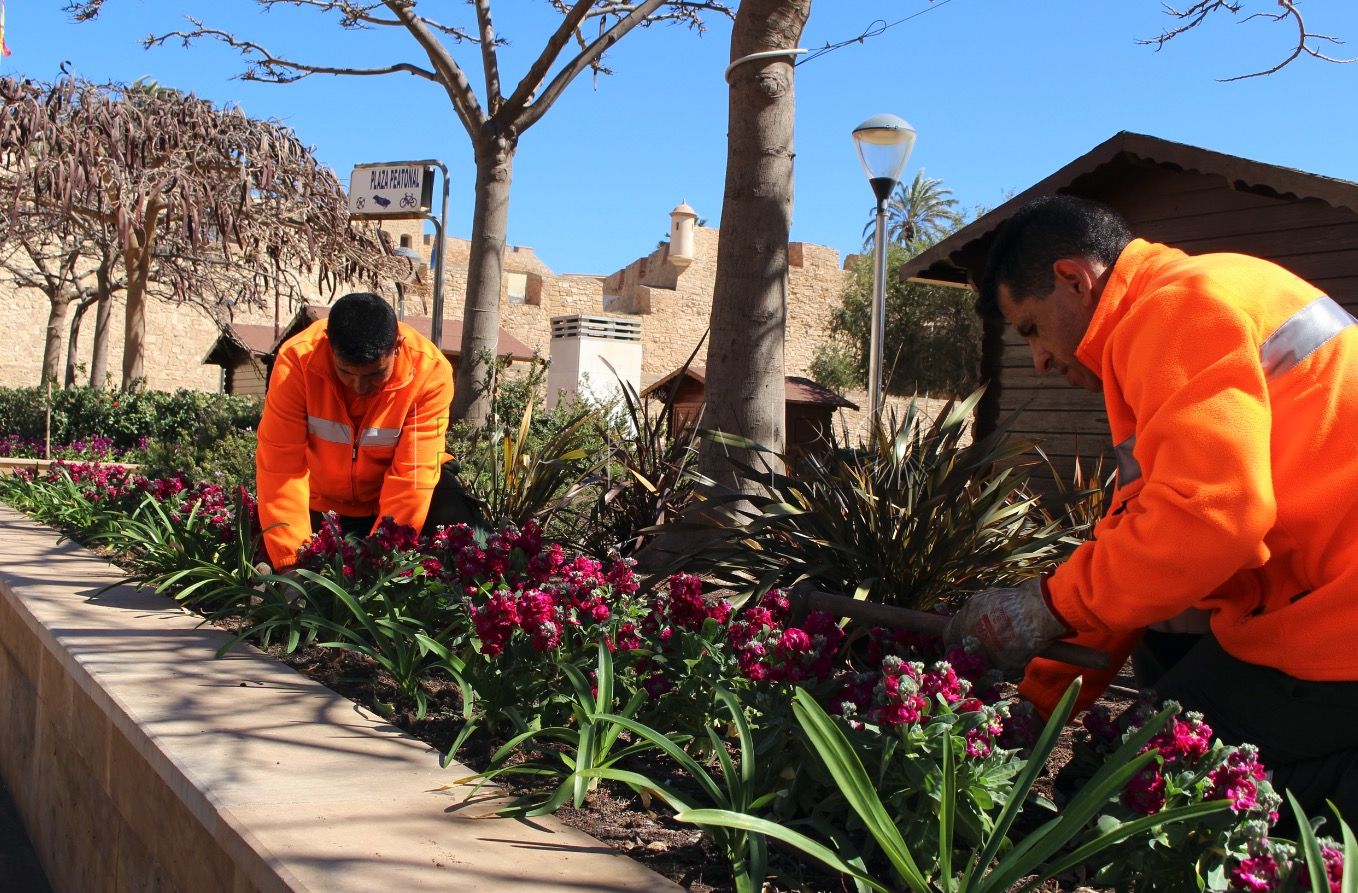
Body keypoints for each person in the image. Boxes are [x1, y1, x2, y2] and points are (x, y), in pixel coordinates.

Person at [946, 194, 1358, 823]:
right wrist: (1034, 701)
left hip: (1338, 622)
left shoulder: (1173, 308)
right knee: (1166, 637)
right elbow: (1148, 542)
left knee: (1120, 792)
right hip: (1325, 591)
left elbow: (1212, 520)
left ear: (1074, 280)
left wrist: (1044, 606)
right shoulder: (1200, 295)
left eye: (1030, 328)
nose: (1039, 360)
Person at [256, 291, 483, 571]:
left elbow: (413, 477)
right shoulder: (296, 363)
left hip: (392, 501)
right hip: (323, 502)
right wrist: (292, 563)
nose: (359, 387)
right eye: (346, 372)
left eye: (375, 373)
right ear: (329, 346)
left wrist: (380, 562)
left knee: (465, 526)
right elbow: (280, 467)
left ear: (397, 347)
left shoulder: (430, 373)